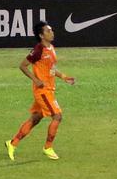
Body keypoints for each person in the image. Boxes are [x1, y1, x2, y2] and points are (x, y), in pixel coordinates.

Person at [6, 21, 76, 162]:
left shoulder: (51, 48)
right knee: (57, 116)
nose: (52, 32)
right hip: (42, 91)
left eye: (51, 30)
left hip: (49, 89)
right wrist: (35, 79)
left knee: (36, 118)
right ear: (41, 35)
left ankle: (12, 143)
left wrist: (64, 77)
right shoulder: (38, 49)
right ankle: (48, 147)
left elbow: (50, 68)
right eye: (48, 31)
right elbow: (23, 66)